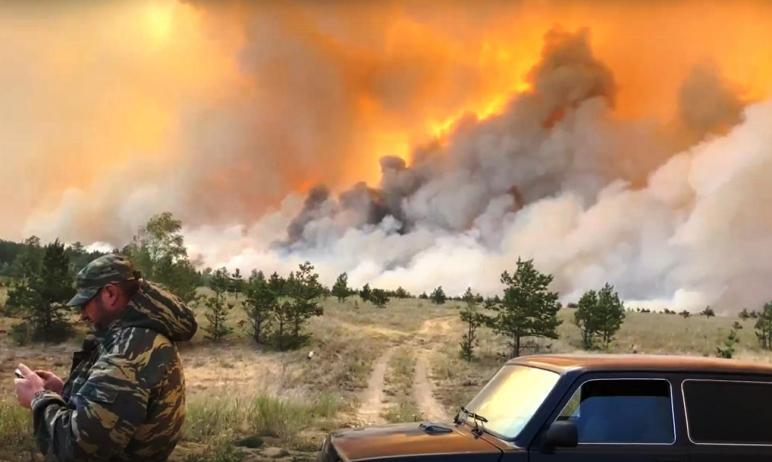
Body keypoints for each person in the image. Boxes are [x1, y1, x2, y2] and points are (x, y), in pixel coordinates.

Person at [14, 254, 198, 461]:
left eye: (85, 303)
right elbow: (109, 410)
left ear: (110, 293)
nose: (82, 314)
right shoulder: (135, 336)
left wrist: (38, 398)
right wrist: (62, 392)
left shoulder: (130, 351)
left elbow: (79, 448)